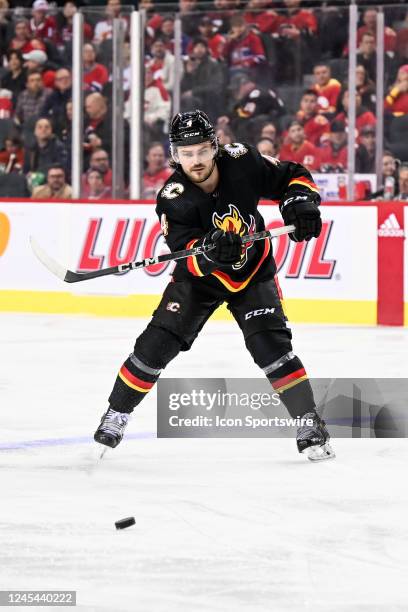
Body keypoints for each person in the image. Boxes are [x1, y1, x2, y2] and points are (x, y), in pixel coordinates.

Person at [94, 109, 335, 462]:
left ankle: (309, 420)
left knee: (270, 346)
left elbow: (292, 176)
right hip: (199, 282)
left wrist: (299, 204)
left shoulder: (243, 160)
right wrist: (208, 254)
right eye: (186, 153)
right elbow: (185, 255)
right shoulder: (173, 198)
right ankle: (117, 412)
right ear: (175, 156)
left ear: (215, 146)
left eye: (202, 150)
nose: (196, 160)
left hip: (252, 271)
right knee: (154, 346)